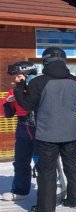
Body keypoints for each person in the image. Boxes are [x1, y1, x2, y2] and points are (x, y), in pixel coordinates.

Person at [13, 48, 76, 212]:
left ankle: (46, 206)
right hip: (70, 132)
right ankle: (75, 200)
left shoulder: (39, 82)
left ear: (45, 61)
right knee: (72, 166)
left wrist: (20, 86)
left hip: (47, 133)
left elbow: (26, 105)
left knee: (47, 170)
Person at [0, 61, 38, 202]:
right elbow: (8, 113)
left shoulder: (39, 87)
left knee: (43, 159)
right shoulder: (14, 90)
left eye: (18, 76)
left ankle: (47, 188)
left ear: (26, 76)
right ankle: (20, 190)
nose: (14, 79)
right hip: (23, 126)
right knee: (21, 160)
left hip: (40, 126)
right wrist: (9, 103)